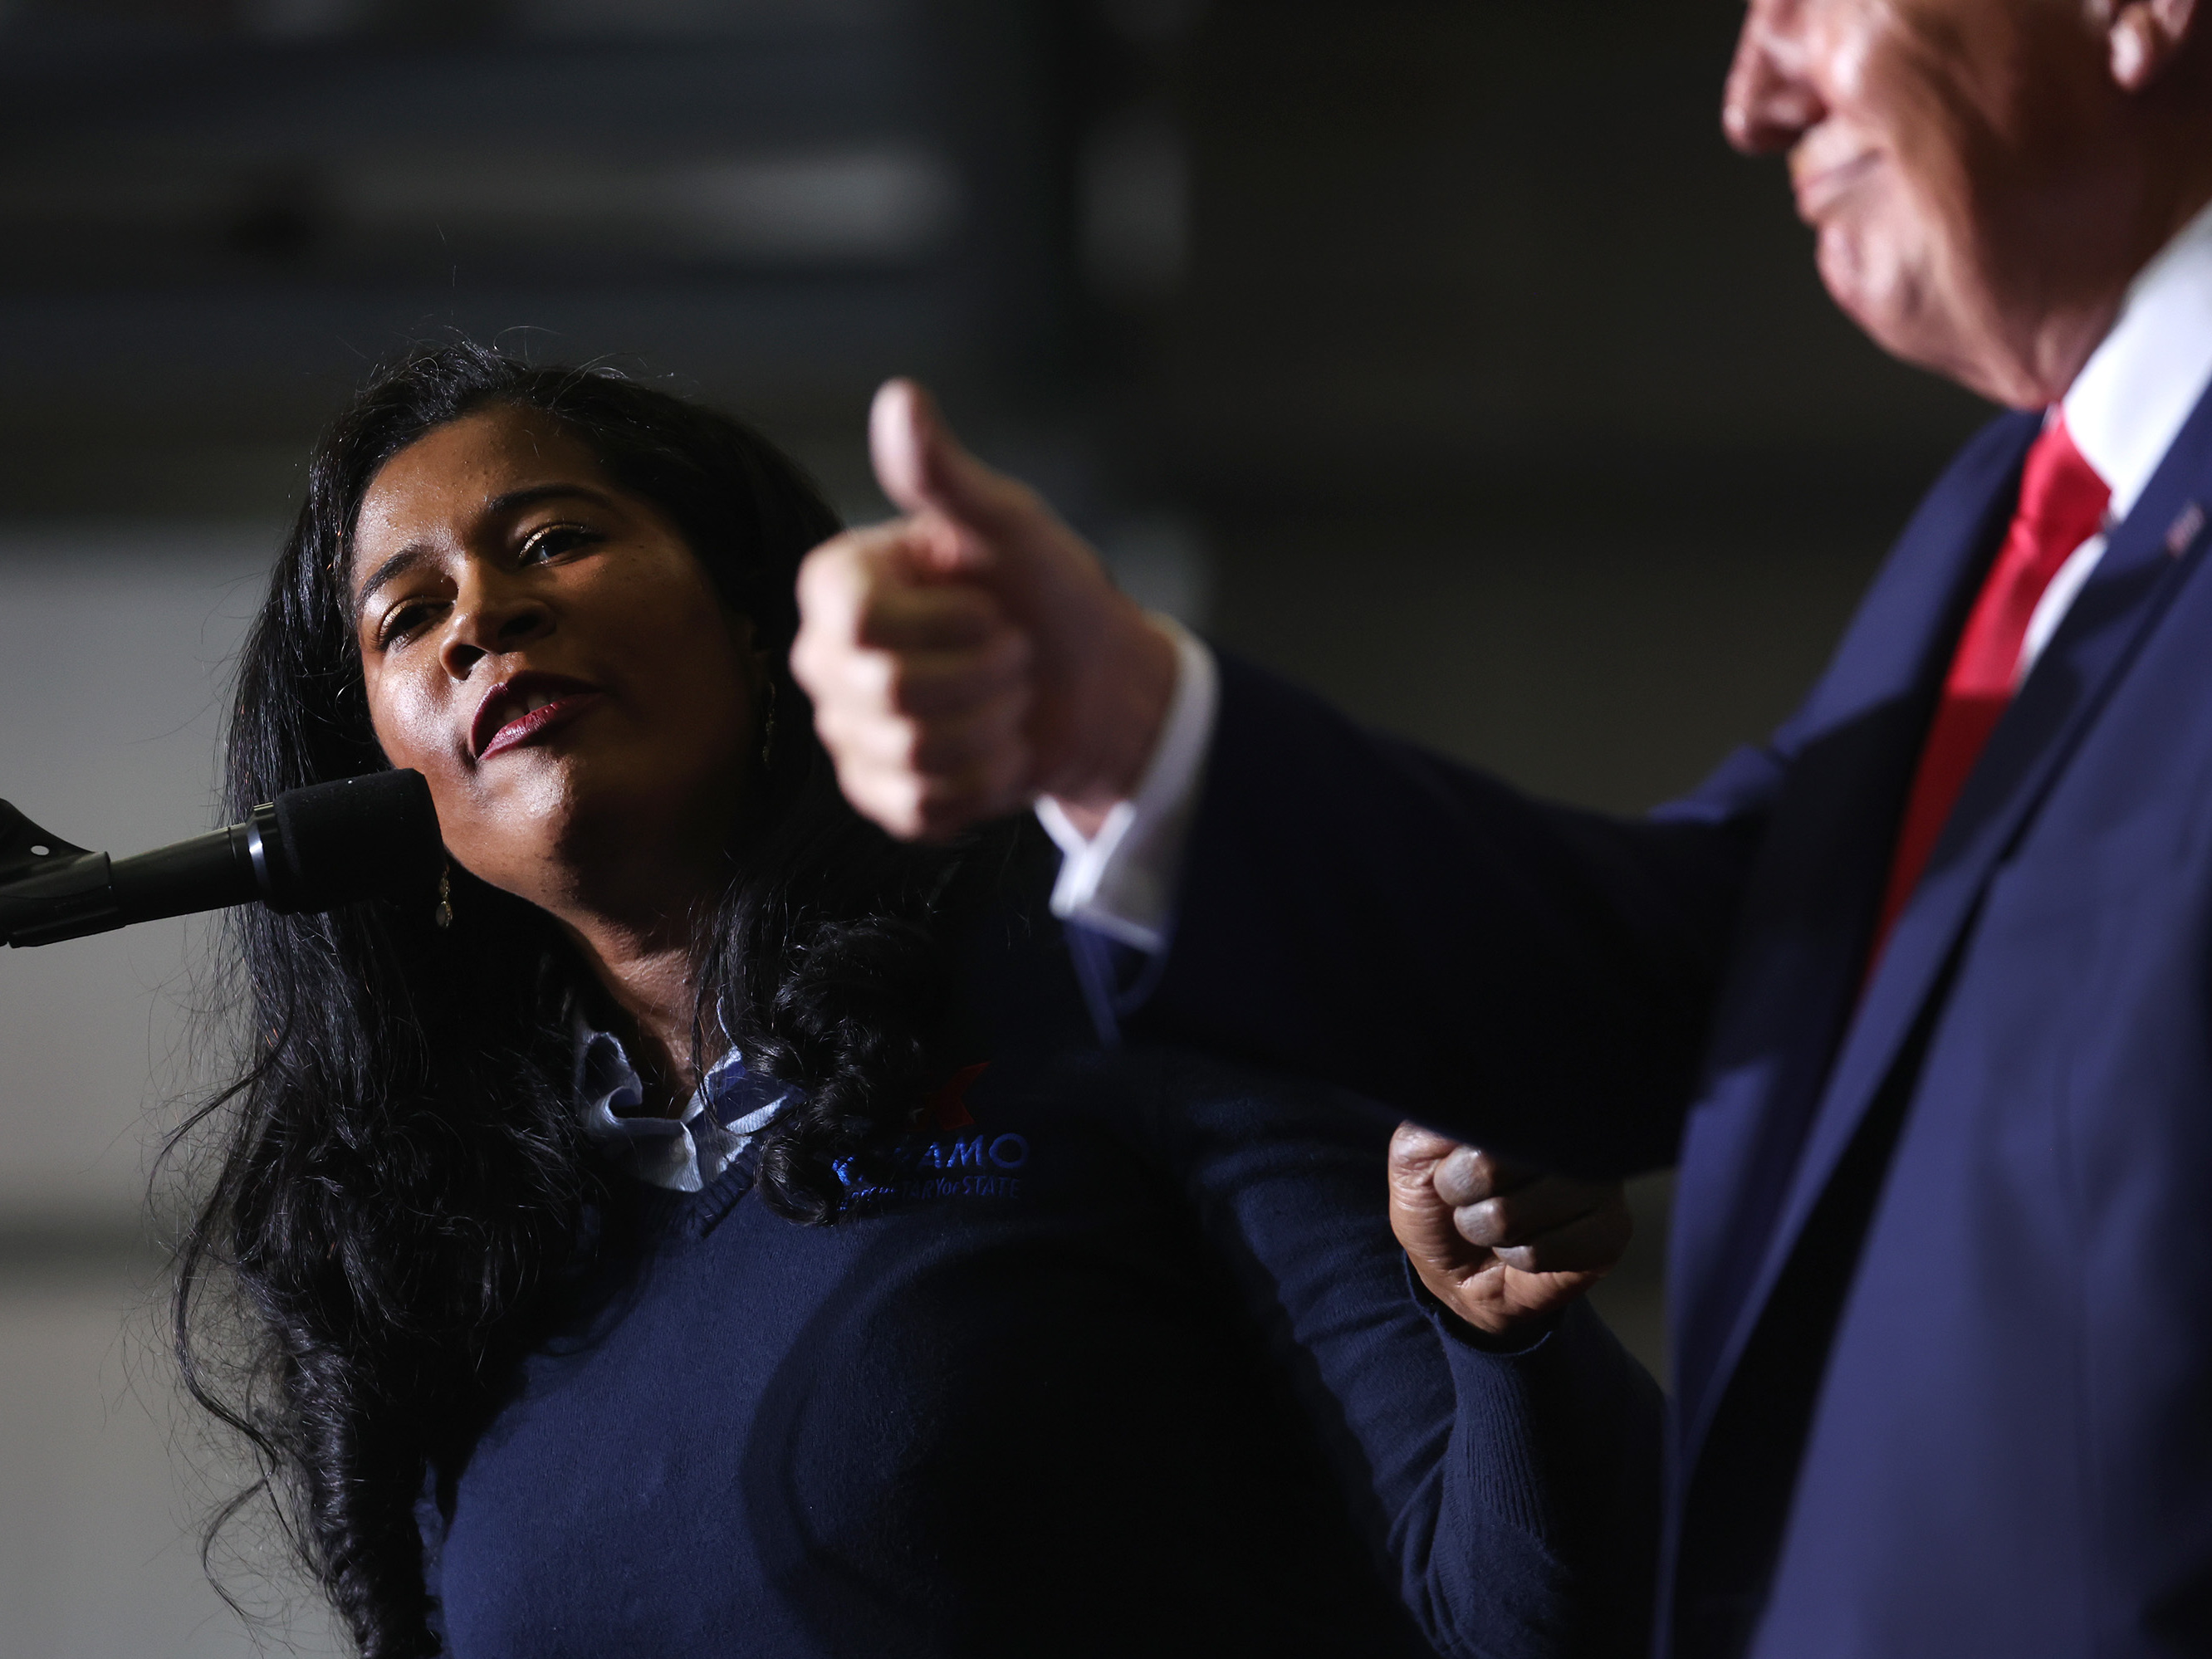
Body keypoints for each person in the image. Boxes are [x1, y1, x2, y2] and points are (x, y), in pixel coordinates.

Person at [788, 2, 2212, 1656]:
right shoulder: (2011, 514)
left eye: (1810, 2)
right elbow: (1686, 966)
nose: (1752, 97)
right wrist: (1121, 728)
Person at [174, 340, 1665, 1659]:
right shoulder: (439, 1254)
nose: (481, 620)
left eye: (553, 540)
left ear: (758, 626)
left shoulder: (1105, 981)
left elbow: (1527, 1617)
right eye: (406, 616)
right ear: (384, 776)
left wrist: (1500, 1330)